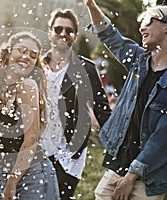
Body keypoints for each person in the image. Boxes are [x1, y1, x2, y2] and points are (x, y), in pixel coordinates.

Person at [85, 0, 167, 199]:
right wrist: (90, 4)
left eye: (148, 20)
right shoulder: (139, 61)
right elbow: (110, 36)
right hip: (118, 165)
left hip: (149, 177)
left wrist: (132, 176)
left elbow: (162, 138)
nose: (142, 27)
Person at [0, 0, 59, 199]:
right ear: (8, 52)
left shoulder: (27, 86)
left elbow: (30, 141)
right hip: (5, 173)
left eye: (33, 55)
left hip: (32, 175)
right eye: (22, 50)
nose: (27, 57)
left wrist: (12, 183)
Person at [39, 8, 112, 199]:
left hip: (68, 154)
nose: (63, 34)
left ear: (75, 36)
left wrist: (118, 146)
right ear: (50, 33)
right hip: (37, 148)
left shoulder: (86, 69)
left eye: (69, 31)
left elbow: (102, 110)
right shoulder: (37, 66)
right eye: (58, 29)